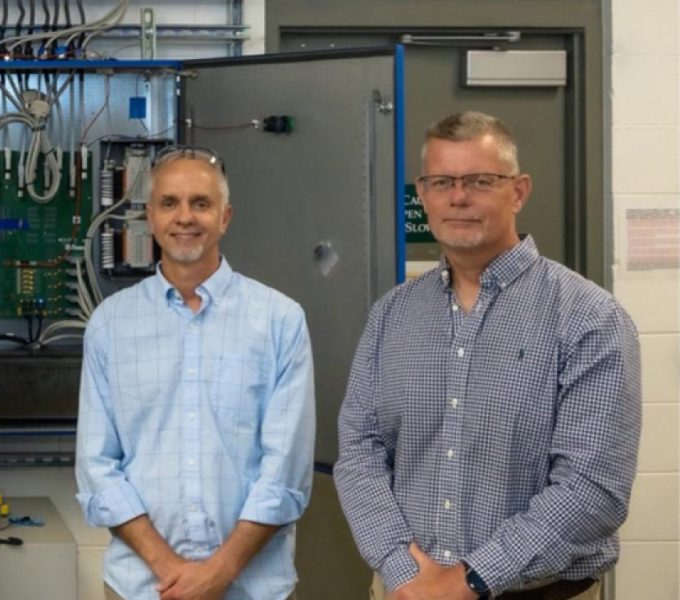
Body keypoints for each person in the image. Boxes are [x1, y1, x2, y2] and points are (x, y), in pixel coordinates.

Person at [336, 111, 641, 600]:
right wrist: (401, 566)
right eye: (442, 182)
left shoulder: (589, 318)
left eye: (480, 180)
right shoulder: (392, 316)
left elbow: (593, 489)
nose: (458, 197)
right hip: (407, 591)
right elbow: (358, 451)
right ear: (423, 193)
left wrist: (471, 578)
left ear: (518, 191)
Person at [76, 147, 316, 600]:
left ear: (225, 217)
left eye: (200, 203)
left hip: (252, 588)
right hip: (142, 588)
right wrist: (171, 571)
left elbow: (284, 472)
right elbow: (97, 468)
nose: (184, 217)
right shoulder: (110, 324)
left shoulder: (279, 320)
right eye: (169, 203)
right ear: (149, 216)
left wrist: (218, 572)